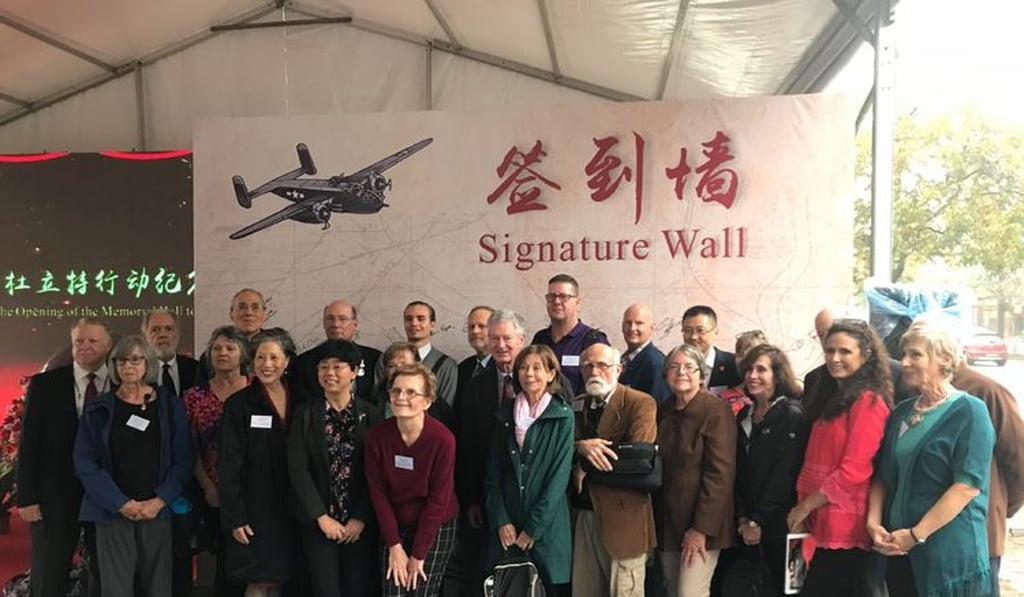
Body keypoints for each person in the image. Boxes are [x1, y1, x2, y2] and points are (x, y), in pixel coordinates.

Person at [868, 319, 995, 597]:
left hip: (948, 556)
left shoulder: (971, 412)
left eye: (916, 354)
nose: (905, 362)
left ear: (945, 359)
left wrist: (915, 535)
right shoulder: (901, 412)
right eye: (904, 354)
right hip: (898, 550)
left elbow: (966, 487)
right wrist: (873, 523)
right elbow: (883, 477)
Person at [73, 335, 194, 597]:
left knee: (158, 587)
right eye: (121, 360)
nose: (128, 366)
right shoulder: (99, 408)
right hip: (113, 512)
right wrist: (120, 503)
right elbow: (86, 463)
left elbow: (183, 458)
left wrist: (160, 500)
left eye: (136, 359)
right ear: (114, 366)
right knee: (115, 589)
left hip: (157, 511)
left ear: (147, 364)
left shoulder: (168, 405)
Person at [788, 319, 892, 597]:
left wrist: (806, 506)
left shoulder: (869, 402)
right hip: (821, 520)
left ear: (865, 354)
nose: (835, 358)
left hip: (846, 527)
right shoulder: (834, 394)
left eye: (845, 351)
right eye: (830, 350)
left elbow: (854, 470)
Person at [17, 318, 112, 597]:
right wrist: (27, 497)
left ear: (107, 345)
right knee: (49, 574)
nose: (84, 347)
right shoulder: (45, 385)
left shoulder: (124, 382)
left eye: (92, 341)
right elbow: (29, 443)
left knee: (105, 575)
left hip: (107, 497)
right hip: (53, 498)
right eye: (79, 341)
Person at [288, 339, 384, 597]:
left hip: (358, 522)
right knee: (324, 589)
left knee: (357, 587)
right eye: (323, 367)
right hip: (318, 521)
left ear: (354, 371)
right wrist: (321, 517)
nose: (329, 373)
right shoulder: (304, 414)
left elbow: (375, 472)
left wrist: (360, 517)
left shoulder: (371, 415)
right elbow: (298, 468)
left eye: (338, 366)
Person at [484, 345, 574, 597]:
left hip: (546, 529)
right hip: (508, 527)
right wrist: (501, 520)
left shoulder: (563, 416)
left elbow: (558, 479)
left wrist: (533, 528)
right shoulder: (505, 414)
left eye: (537, 367)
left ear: (551, 373)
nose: (529, 374)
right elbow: (492, 474)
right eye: (523, 367)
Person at [365, 363, 459, 596]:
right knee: (393, 591)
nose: (401, 397)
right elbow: (378, 494)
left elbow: (438, 500)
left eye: (411, 392)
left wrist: (418, 555)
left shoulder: (442, 440)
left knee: (419, 590)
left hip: (435, 525)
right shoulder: (376, 436)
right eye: (396, 391)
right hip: (394, 523)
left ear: (427, 401)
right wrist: (394, 546)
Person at [571, 343, 657, 597]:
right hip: (584, 514)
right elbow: (564, 446)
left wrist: (586, 465)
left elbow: (638, 459)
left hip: (624, 518)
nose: (594, 371)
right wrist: (579, 447)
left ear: (618, 369)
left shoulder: (640, 403)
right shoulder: (577, 404)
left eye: (602, 365)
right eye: (588, 365)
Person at [217, 328, 298, 596]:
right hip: (254, 509)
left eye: (274, 358)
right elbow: (228, 464)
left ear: (286, 361)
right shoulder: (239, 405)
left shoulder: (303, 399)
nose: (267, 365)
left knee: (288, 579)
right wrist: (235, 516)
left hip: (296, 507)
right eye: (260, 358)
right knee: (259, 578)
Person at [725, 344, 809, 597]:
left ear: (777, 375)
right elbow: (738, 471)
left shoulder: (793, 415)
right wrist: (742, 517)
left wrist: (757, 520)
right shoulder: (744, 416)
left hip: (784, 526)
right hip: (747, 525)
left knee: (789, 590)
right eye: (749, 369)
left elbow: (784, 475)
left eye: (761, 369)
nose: (752, 376)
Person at [656, 344, 736, 597]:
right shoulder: (663, 410)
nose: (681, 372)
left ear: (701, 374)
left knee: (690, 593)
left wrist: (700, 529)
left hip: (703, 525)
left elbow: (720, 475)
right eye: (674, 367)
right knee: (672, 589)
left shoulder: (715, 410)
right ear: (666, 374)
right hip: (668, 522)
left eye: (689, 367)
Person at [182, 326, 251, 597]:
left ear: (243, 354)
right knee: (223, 558)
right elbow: (189, 446)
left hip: (253, 491)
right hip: (211, 490)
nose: (223, 353)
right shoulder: (194, 397)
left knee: (251, 561)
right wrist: (209, 486)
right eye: (217, 348)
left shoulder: (258, 390)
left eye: (230, 348)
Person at [952, 358, 1024, 596]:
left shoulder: (985, 390)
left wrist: (1002, 507)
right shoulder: (914, 394)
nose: (906, 362)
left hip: (979, 526)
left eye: (916, 353)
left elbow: (1018, 457)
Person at [141, 308, 199, 597]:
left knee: (183, 551)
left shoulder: (196, 369)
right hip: (146, 482)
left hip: (192, 477)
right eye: (155, 329)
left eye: (168, 329)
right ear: (145, 334)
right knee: (148, 557)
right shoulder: (134, 373)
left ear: (177, 333)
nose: (162, 335)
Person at [803, 308, 912, 403]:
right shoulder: (814, 380)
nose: (828, 340)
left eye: (835, 332)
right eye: (821, 335)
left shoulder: (898, 375)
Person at [531, 273, 609, 396]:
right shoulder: (540, 339)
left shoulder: (593, 340)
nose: (556, 301)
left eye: (563, 297)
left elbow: (605, 387)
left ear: (577, 302)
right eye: (552, 297)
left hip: (580, 414)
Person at [291, 300, 382, 403]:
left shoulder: (374, 359)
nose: (336, 324)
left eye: (343, 319)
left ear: (355, 323)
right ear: (324, 323)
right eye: (330, 319)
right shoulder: (304, 362)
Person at [375, 341, 454, 429]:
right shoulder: (375, 399)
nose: (398, 369)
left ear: (417, 366)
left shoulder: (436, 404)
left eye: (404, 364)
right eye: (391, 366)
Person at [197, 288, 269, 384]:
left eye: (255, 307)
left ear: (264, 314)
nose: (249, 313)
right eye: (242, 307)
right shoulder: (213, 355)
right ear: (231, 314)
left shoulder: (278, 350)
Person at [680, 305, 741, 394]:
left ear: (715, 331)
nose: (693, 337)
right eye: (688, 330)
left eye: (700, 330)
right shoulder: (677, 366)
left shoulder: (732, 364)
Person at [618, 303, 670, 403]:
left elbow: (658, 407)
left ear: (652, 328)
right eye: (628, 323)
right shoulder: (625, 359)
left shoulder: (655, 364)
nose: (632, 328)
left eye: (639, 323)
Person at [456, 305, 494, 408]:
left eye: (481, 326)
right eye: (471, 327)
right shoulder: (462, 368)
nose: (475, 331)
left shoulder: (504, 368)